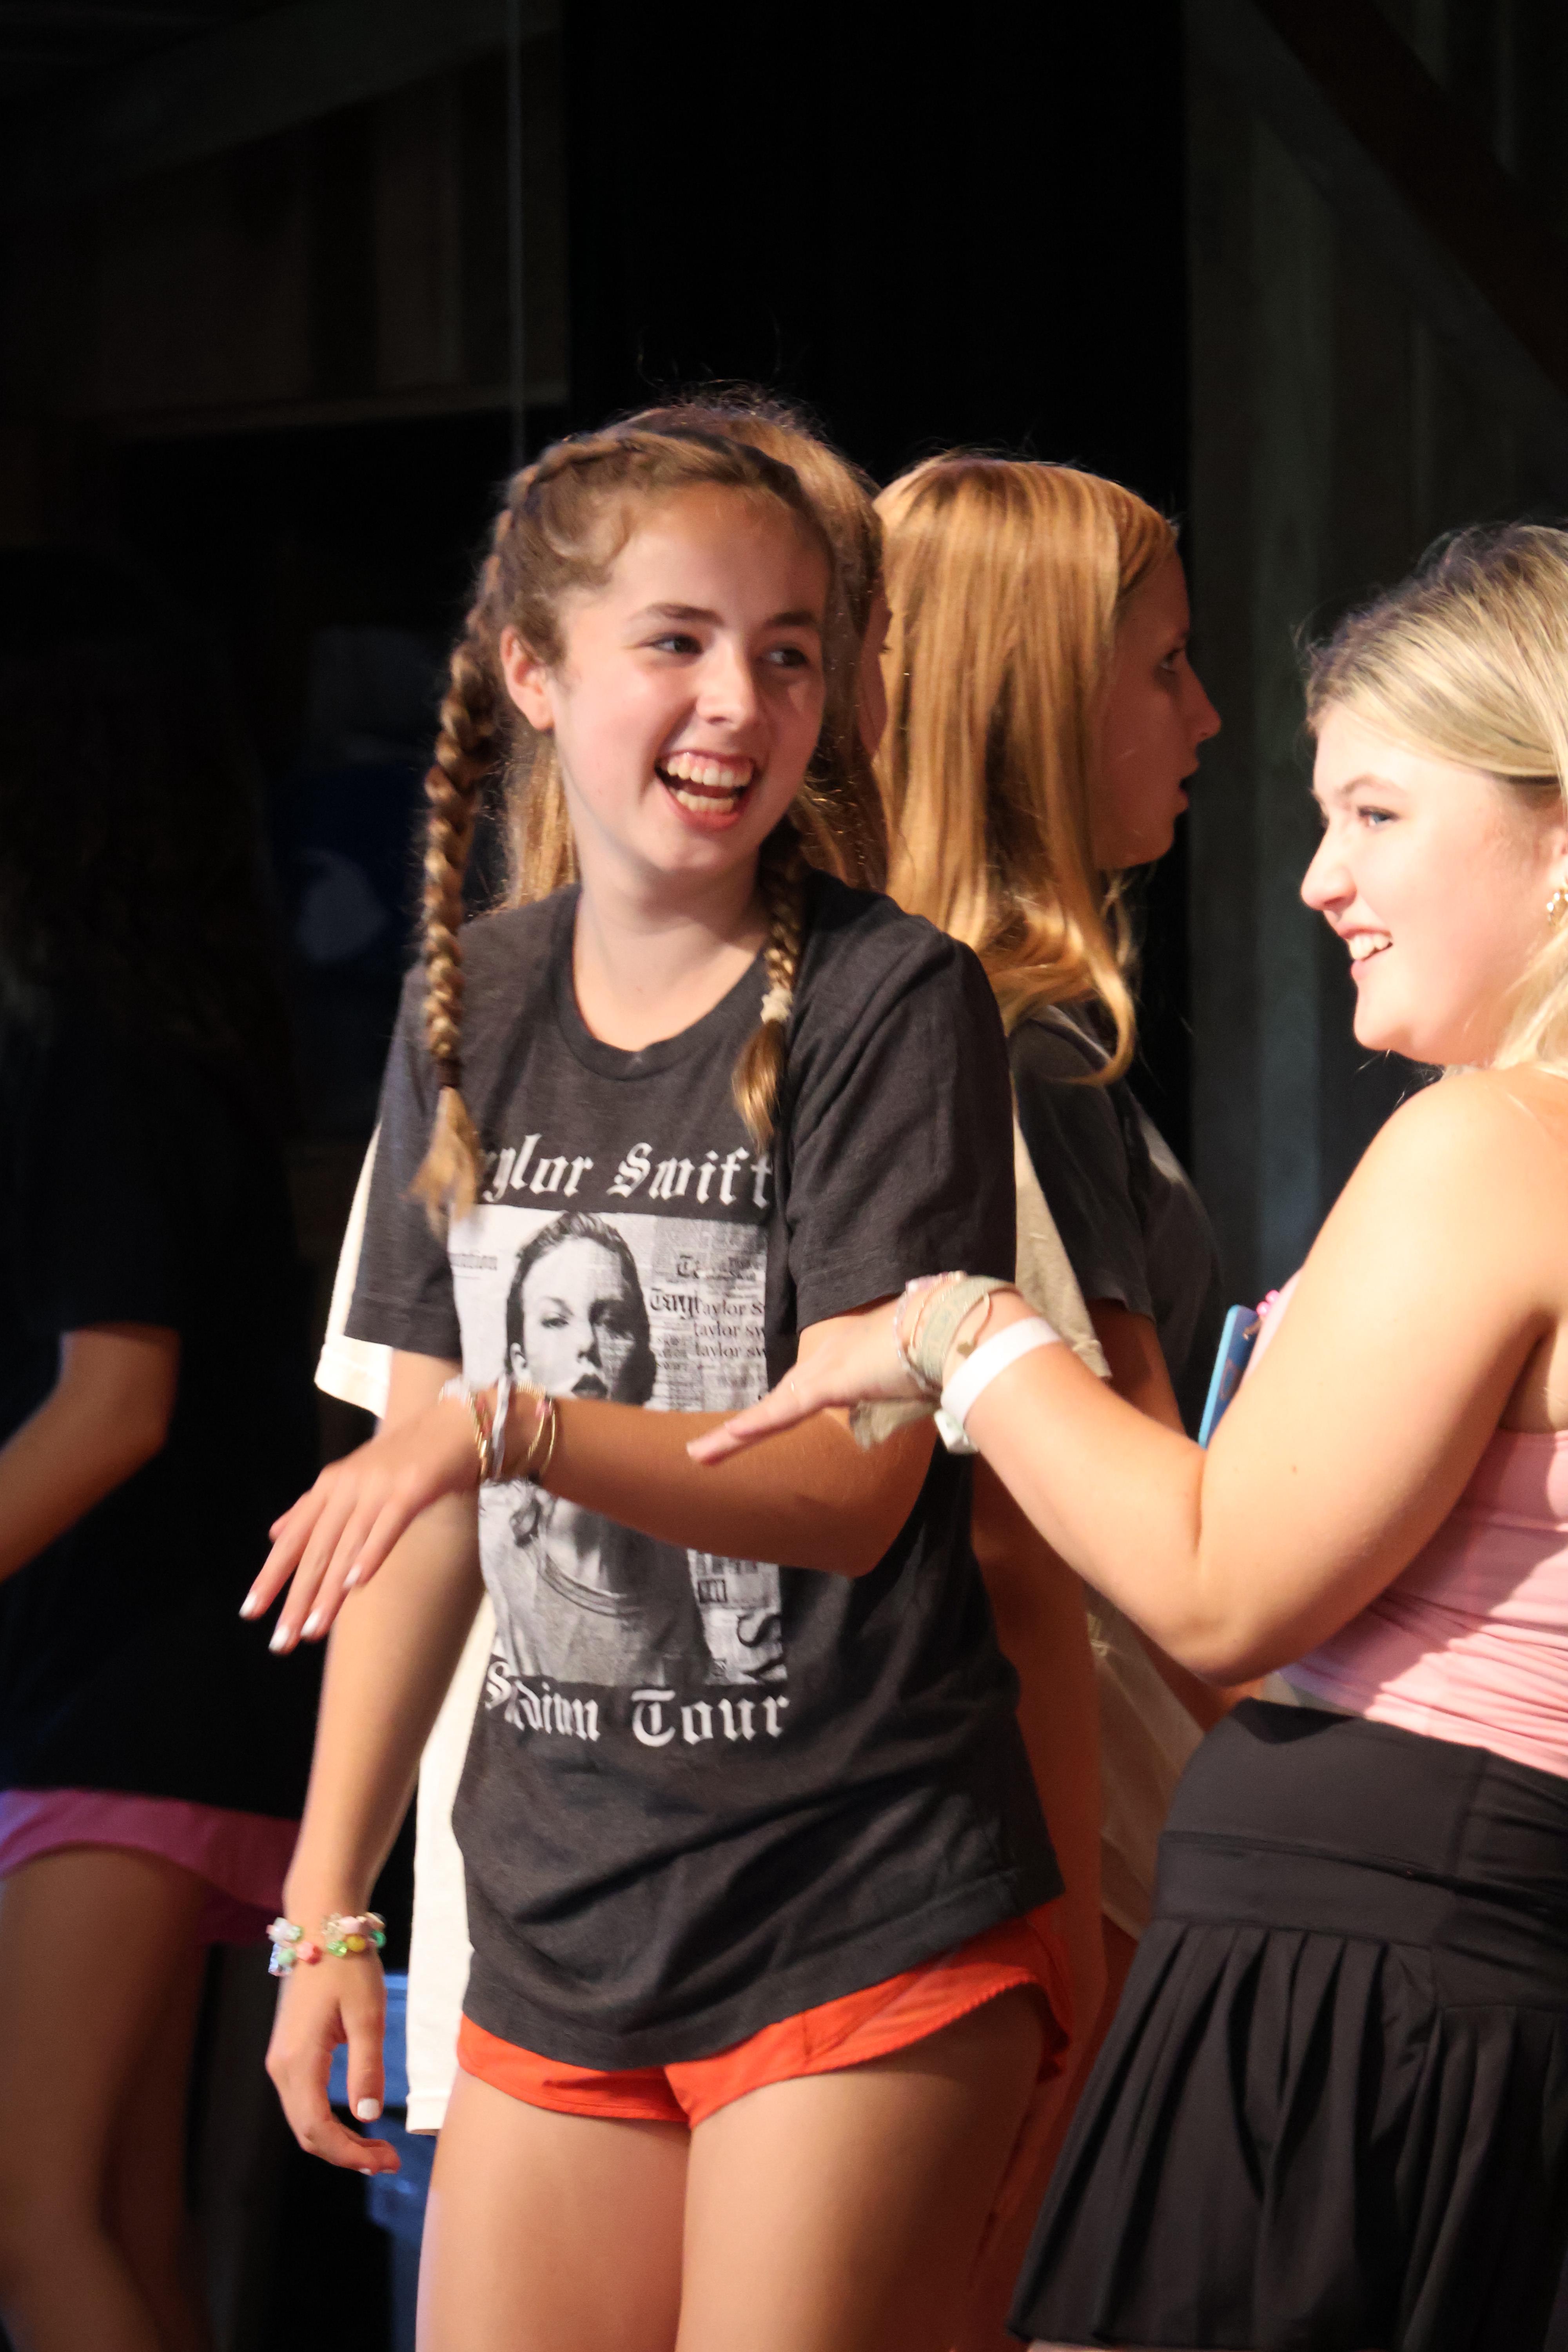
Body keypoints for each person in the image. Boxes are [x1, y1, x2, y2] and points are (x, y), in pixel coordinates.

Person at [248, 419, 1078, 2352]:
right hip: (558, 1926)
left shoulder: (892, 1000)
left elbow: (854, 1490)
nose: (738, 705)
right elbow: (418, 1510)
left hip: (855, 1902)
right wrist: (327, 1908)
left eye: (788, 654)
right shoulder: (473, 997)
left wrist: (511, 1424)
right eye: (678, 643)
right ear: (535, 674)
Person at [692, 521, 1568, 2352]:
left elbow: (1213, 1581)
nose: (1320, 878)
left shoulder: (1495, 1147)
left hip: (1377, 2006)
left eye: (1379, 814)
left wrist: (961, 1333)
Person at [871, 455, 1226, 2345]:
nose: (1206, 717)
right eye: (1164, 667)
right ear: (1031, 703)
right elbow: (1153, 1537)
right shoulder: (1023, 1041)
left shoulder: (893, 1023)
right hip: (1070, 1822)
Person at [0, 555, 321, 2352]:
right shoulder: (166, 1046)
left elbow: (111, 1408)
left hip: (128, 1700)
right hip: (160, 1698)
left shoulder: (103, 1057)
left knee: (32, 2219)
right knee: (121, 2221)